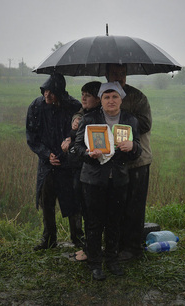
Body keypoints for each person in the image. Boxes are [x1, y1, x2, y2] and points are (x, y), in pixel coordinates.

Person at [74, 82, 142, 280]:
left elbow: (136, 150)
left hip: (119, 180)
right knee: (94, 223)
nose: (111, 101)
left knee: (114, 222)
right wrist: (88, 154)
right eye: (106, 97)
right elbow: (77, 149)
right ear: (101, 100)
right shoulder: (89, 119)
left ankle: (112, 260)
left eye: (114, 97)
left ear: (121, 99)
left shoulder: (130, 121)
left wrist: (133, 147)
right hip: (93, 180)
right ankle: (95, 263)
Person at [26, 72, 84, 250]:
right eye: (45, 91)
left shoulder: (73, 106)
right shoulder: (36, 107)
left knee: (73, 202)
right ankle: (49, 239)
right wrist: (47, 155)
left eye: (51, 91)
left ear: (59, 91)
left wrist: (68, 147)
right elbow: (32, 137)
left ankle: (78, 238)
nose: (47, 95)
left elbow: (81, 133)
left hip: (69, 164)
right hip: (47, 165)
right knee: (47, 202)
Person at [105, 63, 153, 261]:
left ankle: (133, 249)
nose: (119, 77)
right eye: (114, 73)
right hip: (111, 162)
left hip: (137, 160)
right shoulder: (103, 94)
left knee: (134, 206)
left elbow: (145, 123)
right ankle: (115, 246)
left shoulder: (137, 97)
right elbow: (87, 110)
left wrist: (119, 113)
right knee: (115, 206)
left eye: (122, 73)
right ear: (106, 75)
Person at [62, 81, 102, 261]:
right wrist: (69, 138)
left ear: (98, 98)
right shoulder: (84, 114)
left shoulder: (97, 117)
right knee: (84, 208)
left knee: (91, 211)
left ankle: (92, 250)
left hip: (89, 169)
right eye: (82, 94)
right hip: (79, 168)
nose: (83, 98)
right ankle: (88, 247)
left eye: (88, 95)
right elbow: (77, 135)